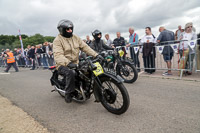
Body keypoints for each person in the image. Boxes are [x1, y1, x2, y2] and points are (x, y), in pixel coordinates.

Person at [53, 19, 101, 103]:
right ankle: (69, 93)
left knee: (88, 69)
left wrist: (96, 55)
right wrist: (68, 63)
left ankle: (85, 87)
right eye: (68, 29)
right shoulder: (57, 40)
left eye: (71, 28)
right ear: (62, 30)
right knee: (71, 73)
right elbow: (58, 55)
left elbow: (85, 47)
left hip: (76, 62)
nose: (70, 30)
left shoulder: (75, 37)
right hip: (62, 64)